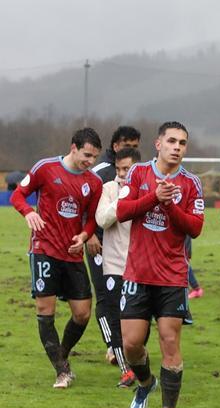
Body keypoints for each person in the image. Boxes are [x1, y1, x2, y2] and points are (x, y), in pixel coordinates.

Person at [117, 122, 204, 408]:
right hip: (138, 274)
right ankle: (145, 383)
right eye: (171, 140)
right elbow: (123, 210)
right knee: (131, 344)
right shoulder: (139, 174)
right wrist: (154, 197)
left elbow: (194, 227)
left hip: (172, 278)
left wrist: (169, 206)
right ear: (158, 144)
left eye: (182, 142)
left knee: (170, 342)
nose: (177, 146)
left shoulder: (192, 183)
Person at [11, 128, 104, 388]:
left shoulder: (93, 183)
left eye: (95, 157)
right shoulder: (46, 168)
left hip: (72, 254)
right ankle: (61, 370)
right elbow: (18, 194)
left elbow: (92, 220)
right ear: (73, 147)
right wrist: (28, 212)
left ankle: (61, 353)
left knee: (83, 313)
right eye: (87, 155)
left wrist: (84, 237)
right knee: (45, 309)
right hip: (44, 249)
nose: (90, 161)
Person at [88, 126, 141, 368]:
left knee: (129, 300)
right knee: (106, 297)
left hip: (127, 248)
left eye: (136, 145)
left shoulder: (139, 172)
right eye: (127, 143)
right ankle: (112, 347)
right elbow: (86, 203)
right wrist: (89, 235)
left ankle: (128, 344)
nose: (131, 148)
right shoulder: (100, 173)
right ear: (116, 145)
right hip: (99, 241)